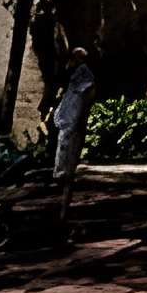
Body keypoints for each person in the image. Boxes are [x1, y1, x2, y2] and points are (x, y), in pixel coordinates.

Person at [49, 46, 96, 229]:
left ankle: (63, 214)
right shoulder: (76, 79)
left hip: (72, 128)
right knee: (63, 165)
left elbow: (78, 106)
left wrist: (71, 123)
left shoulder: (84, 80)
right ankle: (60, 212)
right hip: (67, 127)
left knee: (67, 172)